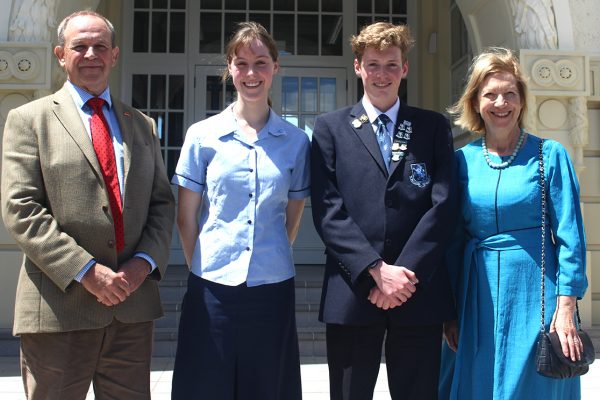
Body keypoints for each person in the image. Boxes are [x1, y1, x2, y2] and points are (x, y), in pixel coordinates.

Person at [1, 10, 175, 400]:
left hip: (132, 308)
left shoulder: (141, 124)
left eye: (100, 46)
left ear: (114, 55)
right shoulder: (30, 119)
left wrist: (141, 264)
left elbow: (162, 205)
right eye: (80, 46)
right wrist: (86, 271)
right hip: (59, 310)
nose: (91, 53)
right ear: (61, 55)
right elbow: (21, 209)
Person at [310, 22, 457, 400]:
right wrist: (375, 272)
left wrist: (402, 279)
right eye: (373, 64)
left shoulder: (432, 126)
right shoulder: (329, 129)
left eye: (391, 65)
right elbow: (328, 210)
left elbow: (443, 206)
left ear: (405, 68)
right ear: (358, 66)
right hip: (354, 290)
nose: (382, 75)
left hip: (416, 291)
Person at [170, 21, 310, 400]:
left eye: (261, 62)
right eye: (242, 63)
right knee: (206, 382)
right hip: (212, 284)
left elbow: (292, 217)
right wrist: (203, 263)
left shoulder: (296, 142)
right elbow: (186, 217)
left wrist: (268, 253)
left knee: (267, 384)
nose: (252, 73)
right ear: (229, 68)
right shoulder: (202, 136)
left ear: (275, 67)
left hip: (272, 285)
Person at [439, 47, 588, 399]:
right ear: (475, 102)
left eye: (510, 93)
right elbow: (452, 242)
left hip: (536, 293)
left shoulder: (549, 155)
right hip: (477, 294)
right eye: (490, 94)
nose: (501, 102)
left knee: (533, 385)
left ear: (521, 100)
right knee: (479, 380)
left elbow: (570, 238)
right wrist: (451, 312)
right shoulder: (462, 161)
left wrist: (566, 307)